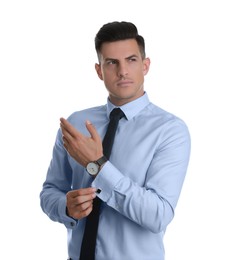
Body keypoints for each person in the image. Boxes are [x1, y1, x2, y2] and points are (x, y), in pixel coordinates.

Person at [40, 21, 191, 260]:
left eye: (131, 60)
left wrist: (97, 165)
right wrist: (65, 207)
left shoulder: (170, 131)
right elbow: (50, 191)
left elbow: (158, 215)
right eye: (112, 63)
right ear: (99, 70)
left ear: (146, 65)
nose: (122, 71)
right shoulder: (76, 124)